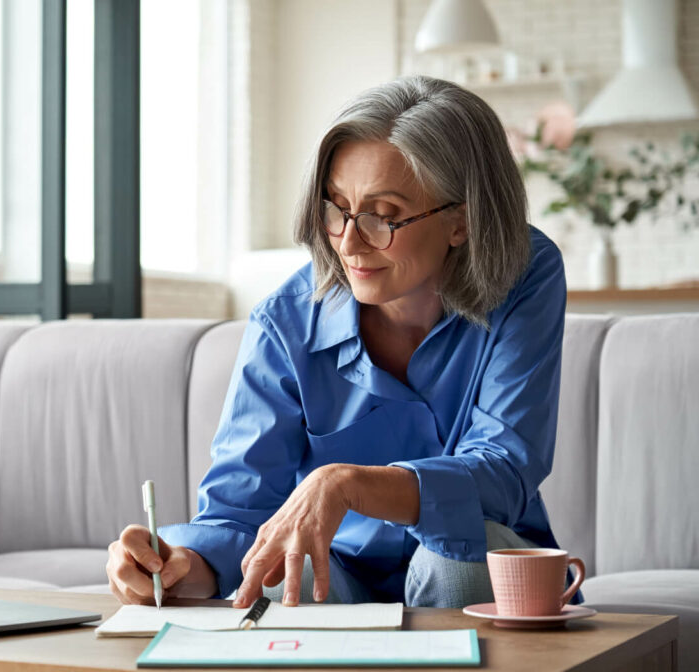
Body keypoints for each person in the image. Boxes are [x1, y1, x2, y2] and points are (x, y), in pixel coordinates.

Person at [106, 75, 571, 609]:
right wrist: (180, 566)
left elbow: (505, 468)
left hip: (473, 565)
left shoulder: (525, 273)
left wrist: (348, 483)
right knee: (286, 571)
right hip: (339, 573)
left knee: (456, 554)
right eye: (335, 209)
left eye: (383, 216)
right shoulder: (285, 321)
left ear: (460, 223)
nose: (349, 242)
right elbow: (239, 512)